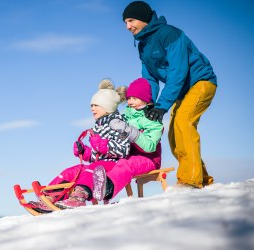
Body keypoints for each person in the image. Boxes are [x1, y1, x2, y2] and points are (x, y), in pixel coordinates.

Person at [122, 1, 217, 188]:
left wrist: (162, 105)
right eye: (125, 22)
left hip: (200, 82)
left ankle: (190, 180)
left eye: (131, 20)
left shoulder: (170, 34)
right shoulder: (143, 45)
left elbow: (178, 71)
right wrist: (148, 103)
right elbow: (149, 77)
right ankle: (202, 179)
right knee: (174, 133)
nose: (128, 26)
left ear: (143, 18)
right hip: (181, 90)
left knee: (183, 122)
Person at [29, 79, 130, 212]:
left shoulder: (118, 124)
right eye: (91, 105)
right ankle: (50, 196)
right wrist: (84, 151)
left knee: (90, 170)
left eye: (96, 105)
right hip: (101, 163)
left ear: (107, 106)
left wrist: (102, 145)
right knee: (73, 170)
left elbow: (124, 150)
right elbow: (96, 156)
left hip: (115, 164)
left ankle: (78, 198)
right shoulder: (99, 126)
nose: (92, 108)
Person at [92, 77, 163, 201]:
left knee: (126, 164)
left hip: (149, 160)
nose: (130, 102)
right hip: (128, 156)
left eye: (134, 98)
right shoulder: (125, 117)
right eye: (129, 98)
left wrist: (129, 131)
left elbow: (150, 146)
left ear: (146, 100)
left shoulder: (152, 120)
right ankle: (95, 186)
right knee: (113, 163)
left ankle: (107, 188)